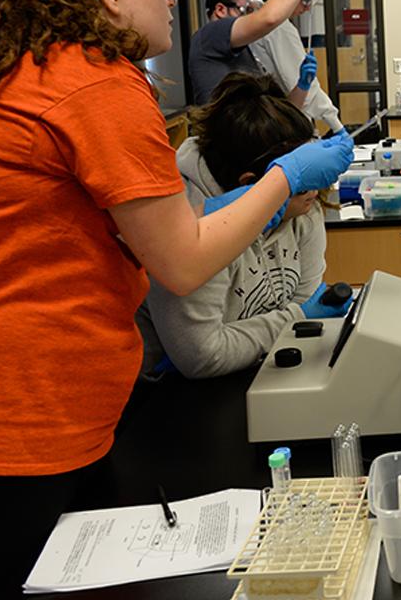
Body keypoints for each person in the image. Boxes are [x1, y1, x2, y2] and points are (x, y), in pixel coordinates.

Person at [0, 0, 353, 591]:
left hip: (51, 401)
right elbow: (183, 262)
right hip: (30, 411)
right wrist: (286, 177)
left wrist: (224, 207)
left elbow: (114, 226)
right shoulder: (96, 82)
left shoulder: (42, 69)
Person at [137, 72, 352, 379]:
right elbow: (203, 356)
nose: (314, 195)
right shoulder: (192, 232)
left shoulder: (302, 208)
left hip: (256, 375)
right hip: (169, 396)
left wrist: (259, 334)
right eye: (302, 183)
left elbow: (304, 308)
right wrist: (296, 318)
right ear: (251, 185)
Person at [188, 0, 322, 105]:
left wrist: (302, 86)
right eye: (248, 10)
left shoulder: (245, 51)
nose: (252, 17)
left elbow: (280, 113)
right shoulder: (209, 35)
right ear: (220, 10)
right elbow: (268, 19)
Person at [250, 0, 344, 135]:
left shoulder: (258, 19)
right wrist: (336, 125)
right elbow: (305, 89)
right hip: (281, 123)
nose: (308, 7)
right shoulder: (279, 28)